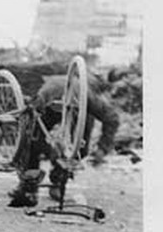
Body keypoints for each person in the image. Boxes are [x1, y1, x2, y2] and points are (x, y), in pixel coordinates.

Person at [7, 74, 120, 208]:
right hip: (50, 100)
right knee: (34, 139)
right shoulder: (51, 91)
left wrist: (103, 147)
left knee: (78, 149)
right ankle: (29, 185)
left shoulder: (89, 98)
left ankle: (57, 180)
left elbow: (112, 118)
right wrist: (50, 150)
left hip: (77, 105)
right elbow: (33, 115)